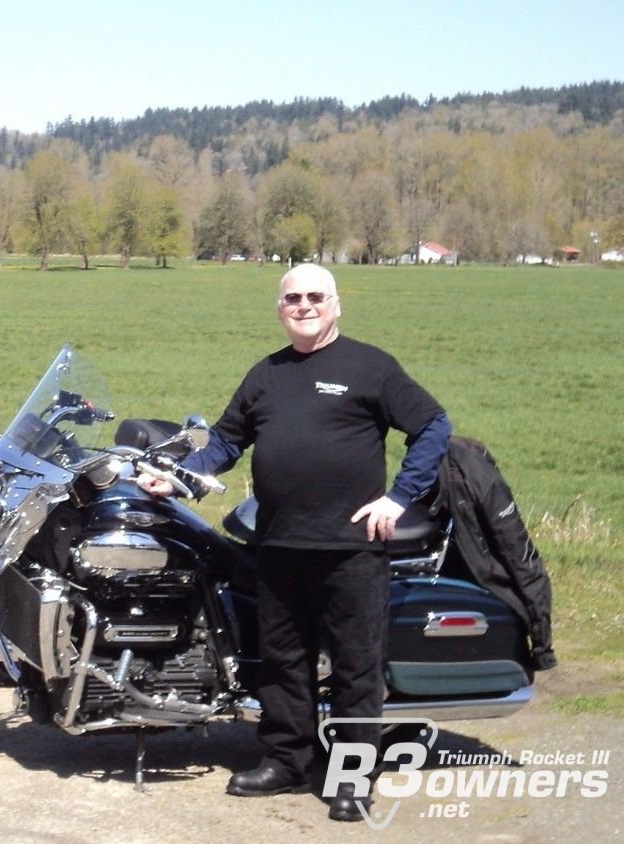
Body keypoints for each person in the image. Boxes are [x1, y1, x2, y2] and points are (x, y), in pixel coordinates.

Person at [138, 263, 450, 822]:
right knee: (285, 662)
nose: (303, 306)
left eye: (314, 297)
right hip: (278, 545)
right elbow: (226, 442)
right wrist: (178, 477)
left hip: (350, 549)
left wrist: (398, 498)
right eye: (292, 298)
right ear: (280, 308)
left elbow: (433, 425)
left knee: (356, 668)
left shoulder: (370, 367)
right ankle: (287, 760)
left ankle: (353, 779)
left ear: (335, 304)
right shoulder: (267, 374)